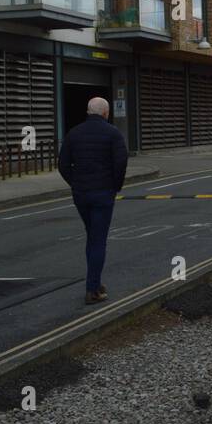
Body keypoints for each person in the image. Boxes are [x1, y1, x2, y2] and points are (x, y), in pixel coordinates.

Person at [58, 96, 128, 304]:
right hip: (103, 194)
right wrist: (115, 186)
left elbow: (62, 164)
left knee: (92, 236)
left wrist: (76, 183)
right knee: (98, 239)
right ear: (106, 113)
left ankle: (95, 282)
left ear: (88, 112)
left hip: (81, 195)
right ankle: (92, 289)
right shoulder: (113, 134)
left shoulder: (74, 133)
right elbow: (121, 162)